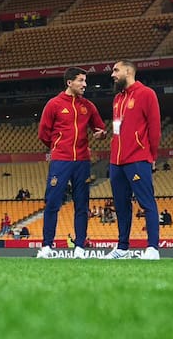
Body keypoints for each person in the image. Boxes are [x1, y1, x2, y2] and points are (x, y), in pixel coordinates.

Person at [35, 67, 105, 259]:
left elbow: (99, 127)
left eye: (85, 81)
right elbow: (43, 133)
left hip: (82, 161)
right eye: (81, 80)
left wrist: (100, 134)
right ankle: (47, 246)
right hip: (61, 161)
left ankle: (80, 247)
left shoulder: (88, 106)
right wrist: (58, 147)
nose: (85, 84)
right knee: (52, 202)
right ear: (69, 83)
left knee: (82, 205)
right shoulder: (54, 104)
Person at [107, 59, 161, 261]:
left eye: (116, 70)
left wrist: (152, 156)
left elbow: (154, 129)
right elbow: (117, 128)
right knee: (121, 205)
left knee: (147, 203)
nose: (113, 74)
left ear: (128, 71)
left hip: (138, 158)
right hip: (116, 162)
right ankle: (122, 248)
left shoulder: (146, 94)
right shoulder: (117, 99)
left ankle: (153, 248)